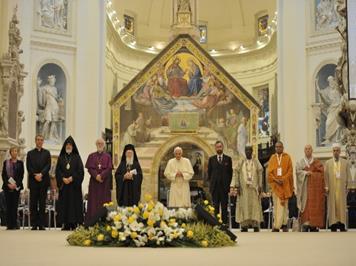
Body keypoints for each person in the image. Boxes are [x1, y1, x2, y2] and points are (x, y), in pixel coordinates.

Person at [230, 145, 263, 232]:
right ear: (245, 152)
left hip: (254, 188)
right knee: (243, 205)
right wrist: (237, 184)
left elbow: (260, 172)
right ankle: (244, 225)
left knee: (255, 206)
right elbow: (236, 171)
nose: (248, 152)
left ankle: (255, 224)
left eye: (249, 150)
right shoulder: (241, 161)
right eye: (246, 150)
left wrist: (260, 185)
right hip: (243, 189)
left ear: (252, 151)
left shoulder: (256, 161)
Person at [55, 136, 84, 230]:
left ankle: (74, 223)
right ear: (64, 146)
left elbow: (80, 171)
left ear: (73, 146)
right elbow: (57, 171)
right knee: (64, 204)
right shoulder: (61, 157)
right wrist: (63, 178)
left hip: (74, 186)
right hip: (64, 186)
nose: (68, 146)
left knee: (74, 204)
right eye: (67, 145)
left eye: (70, 145)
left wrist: (72, 178)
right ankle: (65, 224)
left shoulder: (77, 157)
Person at [296, 145, 325, 232]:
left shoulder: (317, 162)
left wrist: (312, 174)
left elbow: (321, 174)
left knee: (315, 205)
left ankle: (314, 225)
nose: (308, 150)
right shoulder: (300, 162)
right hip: (304, 188)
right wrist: (305, 173)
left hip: (315, 190)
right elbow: (297, 172)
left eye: (309, 149)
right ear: (304, 151)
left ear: (312, 150)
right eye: (306, 149)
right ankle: (305, 224)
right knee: (305, 205)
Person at [324, 143, 352, 232]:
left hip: (342, 189)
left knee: (341, 206)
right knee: (332, 206)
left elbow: (349, 175)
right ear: (332, 152)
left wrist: (349, 186)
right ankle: (333, 224)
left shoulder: (345, 162)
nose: (336, 152)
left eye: (337, 150)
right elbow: (325, 176)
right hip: (332, 189)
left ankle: (342, 224)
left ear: (340, 151)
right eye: (334, 150)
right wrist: (326, 186)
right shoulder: (328, 163)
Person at [26, 134, 51, 230]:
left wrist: (41, 174)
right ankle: (34, 223)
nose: (39, 141)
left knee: (42, 203)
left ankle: (41, 224)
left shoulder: (47, 153)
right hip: (33, 181)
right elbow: (28, 167)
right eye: (38, 140)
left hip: (43, 181)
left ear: (43, 141)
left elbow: (48, 165)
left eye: (41, 140)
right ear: (35, 141)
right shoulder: (30, 153)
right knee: (33, 203)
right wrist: (35, 175)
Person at [267, 141, 294, 232]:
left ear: (283, 148)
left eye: (280, 147)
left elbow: (290, 171)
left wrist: (283, 179)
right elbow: (269, 172)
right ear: (275, 148)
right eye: (276, 147)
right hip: (276, 186)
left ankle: (284, 224)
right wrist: (275, 180)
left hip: (285, 185)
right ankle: (276, 225)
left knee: (285, 206)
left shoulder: (287, 157)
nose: (278, 148)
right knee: (277, 206)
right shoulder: (272, 158)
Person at [85, 138, 112, 222]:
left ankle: (104, 221)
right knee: (93, 202)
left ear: (104, 145)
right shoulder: (91, 156)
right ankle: (93, 221)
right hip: (94, 183)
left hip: (104, 183)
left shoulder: (108, 156)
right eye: (98, 143)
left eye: (101, 143)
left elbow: (109, 168)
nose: (100, 145)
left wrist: (101, 176)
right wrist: (96, 176)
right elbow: (90, 168)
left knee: (104, 202)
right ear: (96, 145)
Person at [208, 141, 233, 224]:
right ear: (215, 148)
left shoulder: (228, 159)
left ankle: (224, 224)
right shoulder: (211, 159)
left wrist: (228, 184)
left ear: (223, 147)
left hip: (224, 187)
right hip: (215, 187)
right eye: (217, 147)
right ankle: (216, 224)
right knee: (215, 207)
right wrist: (211, 184)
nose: (219, 148)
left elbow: (230, 173)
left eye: (220, 146)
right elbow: (209, 173)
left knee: (224, 207)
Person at [2, 147, 24, 230]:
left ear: (17, 153)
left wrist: (15, 184)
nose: (15, 152)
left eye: (16, 151)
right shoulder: (6, 162)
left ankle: (14, 224)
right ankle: (9, 224)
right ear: (10, 153)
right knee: (8, 205)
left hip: (16, 187)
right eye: (13, 151)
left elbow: (21, 175)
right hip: (7, 187)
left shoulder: (20, 163)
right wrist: (8, 184)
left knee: (14, 206)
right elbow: (3, 175)